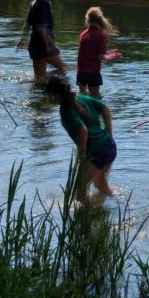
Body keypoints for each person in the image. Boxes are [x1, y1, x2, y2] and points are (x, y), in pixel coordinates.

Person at [44, 74, 117, 203]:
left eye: (50, 94)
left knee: (80, 188)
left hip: (96, 150)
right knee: (99, 183)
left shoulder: (66, 112)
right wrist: (109, 134)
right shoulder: (81, 97)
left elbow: (83, 131)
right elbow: (105, 109)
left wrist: (82, 156)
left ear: (56, 95)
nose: (49, 98)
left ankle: (82, 217)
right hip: (109, 146)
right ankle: (116, 203)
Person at [18, 0, 66, 80]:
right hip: (42, 46)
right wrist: (49, 45)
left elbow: (29, 23)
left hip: (35, 45)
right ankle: (42, 78)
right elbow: (41, 27)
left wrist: (23, 38)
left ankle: (39, 83)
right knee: (62, 69)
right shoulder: (43, 3)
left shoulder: (36, 1)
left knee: (39, 80)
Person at [76, 6, 118, 98]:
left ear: (87, 19)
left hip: (81, 72)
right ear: (100, 19)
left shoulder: (83, 34)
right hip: (93, 73)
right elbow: (102, 57)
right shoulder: (100, 35)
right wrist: (113, 55)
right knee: (96, 98)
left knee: (82, 97)